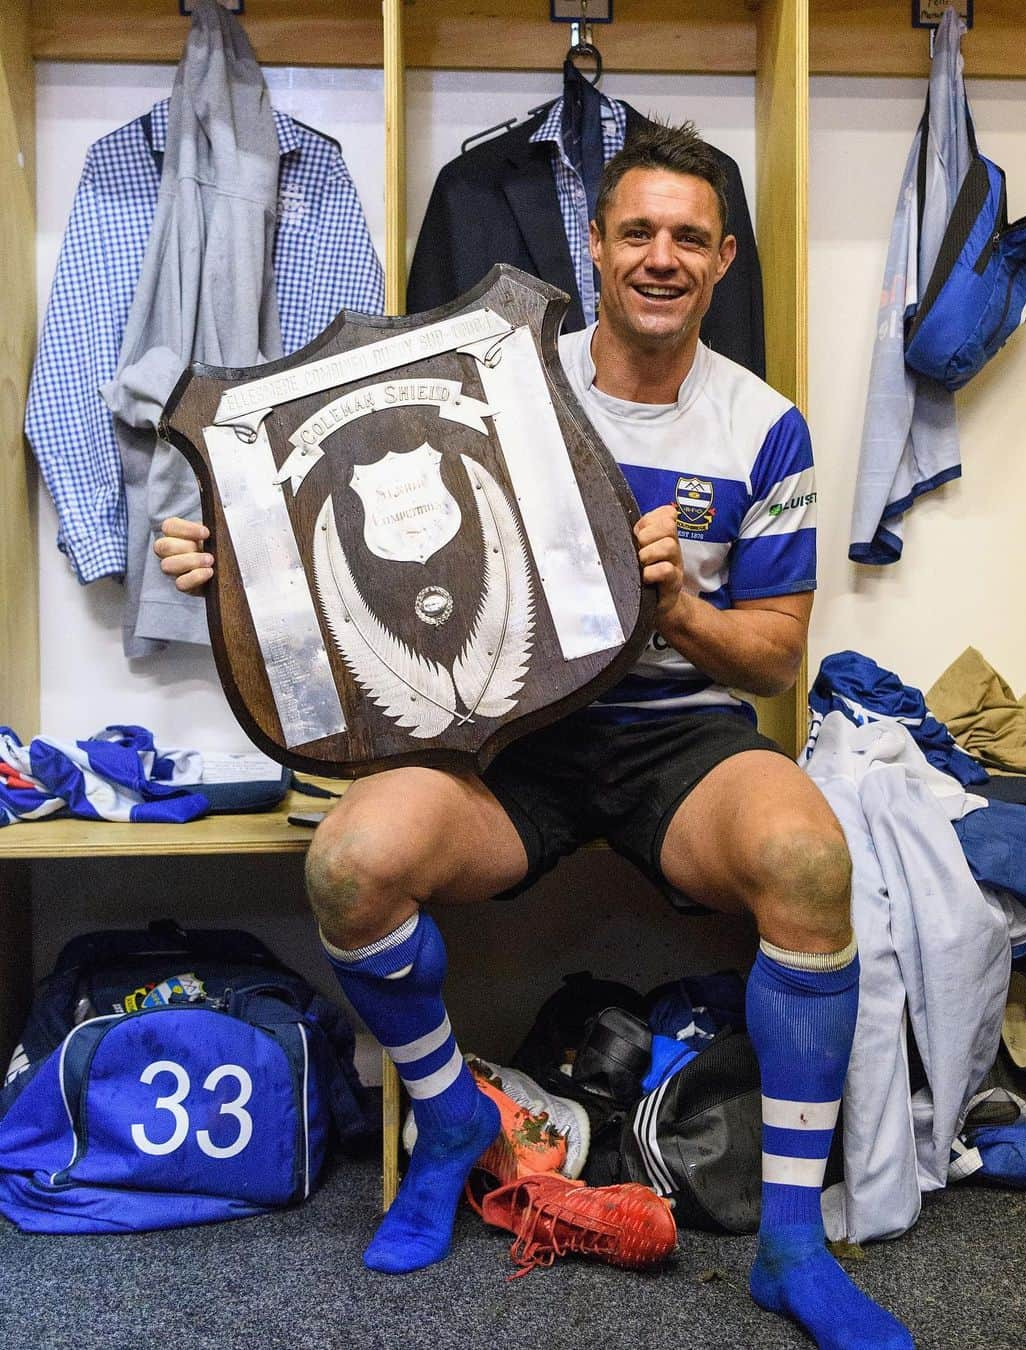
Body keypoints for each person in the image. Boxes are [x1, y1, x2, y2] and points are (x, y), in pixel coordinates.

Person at [156, 122, 913, 1349]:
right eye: (637, 233)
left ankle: (790, 1248)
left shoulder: (765, 425)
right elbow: (355, 531)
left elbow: (779, 655)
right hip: (505, 745)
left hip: (679, 742)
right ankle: (455, 1120)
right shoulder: (493, 376)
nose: (660, 258)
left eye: (688, 238)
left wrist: (676, 606)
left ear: (723, 261)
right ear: (597, 248)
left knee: (809, 864)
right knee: (350, 864)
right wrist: (228, 561)